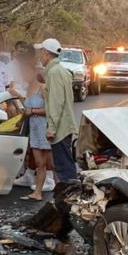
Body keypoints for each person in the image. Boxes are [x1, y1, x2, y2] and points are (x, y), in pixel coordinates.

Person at [36, 38, 78, 182]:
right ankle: (69, 196)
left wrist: (51, 128)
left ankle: (70, 199)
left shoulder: (54, 73)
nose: (40, 56)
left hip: (60, 128)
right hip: (65, 125)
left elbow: (56, 103)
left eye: (41, 52)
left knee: (64, 168)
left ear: (46, 53)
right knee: (65, 165)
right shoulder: (62, 71)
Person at [21, 68, 55, 200]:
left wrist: (33, 111)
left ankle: (59, 190)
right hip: (34, 129)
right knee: (39, 162)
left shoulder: (43, 88)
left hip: (44, 128)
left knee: (51, 164)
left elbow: (51, 109)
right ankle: (38, 193)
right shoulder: (28, 90)